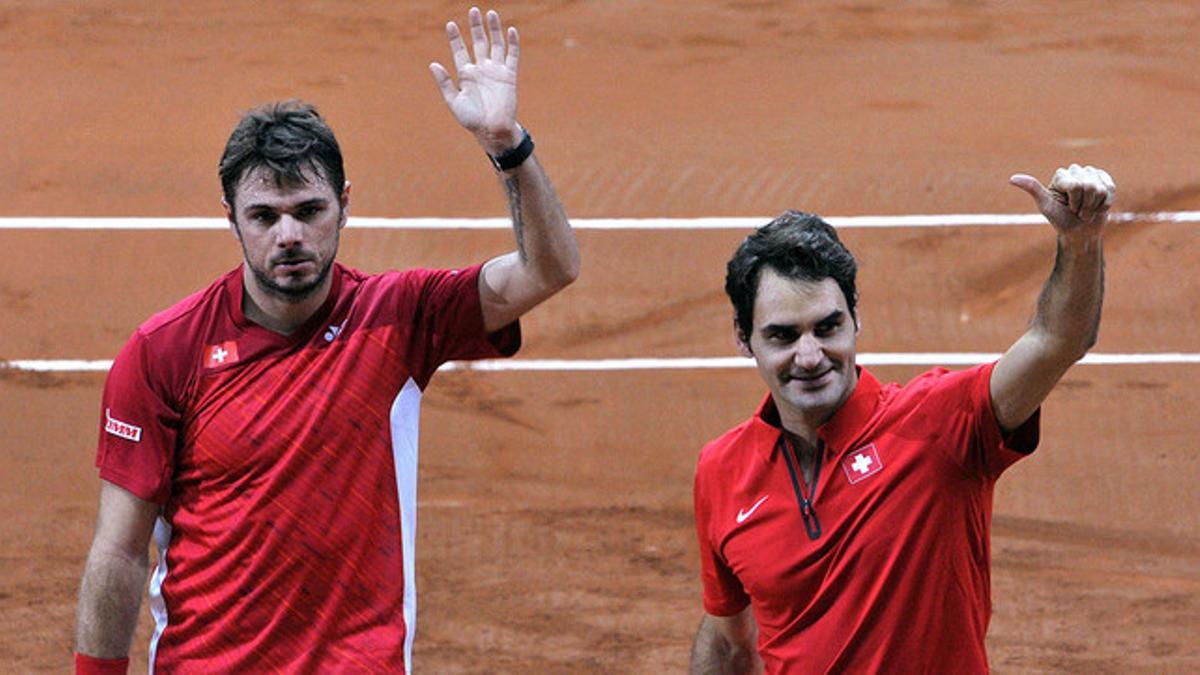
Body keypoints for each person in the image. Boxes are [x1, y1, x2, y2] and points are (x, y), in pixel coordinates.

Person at [73, 8, 578, 673]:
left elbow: (550, 268)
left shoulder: (400, 315)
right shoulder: (164, 350)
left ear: (345, 203)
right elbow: (119, 549)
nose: (289, 235)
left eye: (309, 211)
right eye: (265, 216)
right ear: (232, 219)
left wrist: (507, 145)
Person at [690, 165, 1115, 673]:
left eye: (827, 327)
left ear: (856, 318)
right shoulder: (721, 470)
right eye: (783, 335)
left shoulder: (940, 425)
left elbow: (1057, 340)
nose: (810, 356)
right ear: (743, 338)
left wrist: (1081, 242)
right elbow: (729, 643)